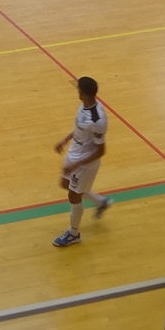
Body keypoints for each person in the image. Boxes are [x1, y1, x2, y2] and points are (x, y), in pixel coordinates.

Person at [52, 75, 112, 247]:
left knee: (73, 195)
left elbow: (101, 151)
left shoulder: (97, 121)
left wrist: (75, 165)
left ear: (83, 93)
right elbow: (79, 128)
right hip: (74, 153)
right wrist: (65, 140)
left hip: (85, 163)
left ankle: (74, 233)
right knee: (65, 184)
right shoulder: (85, 104)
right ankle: (101, 202)